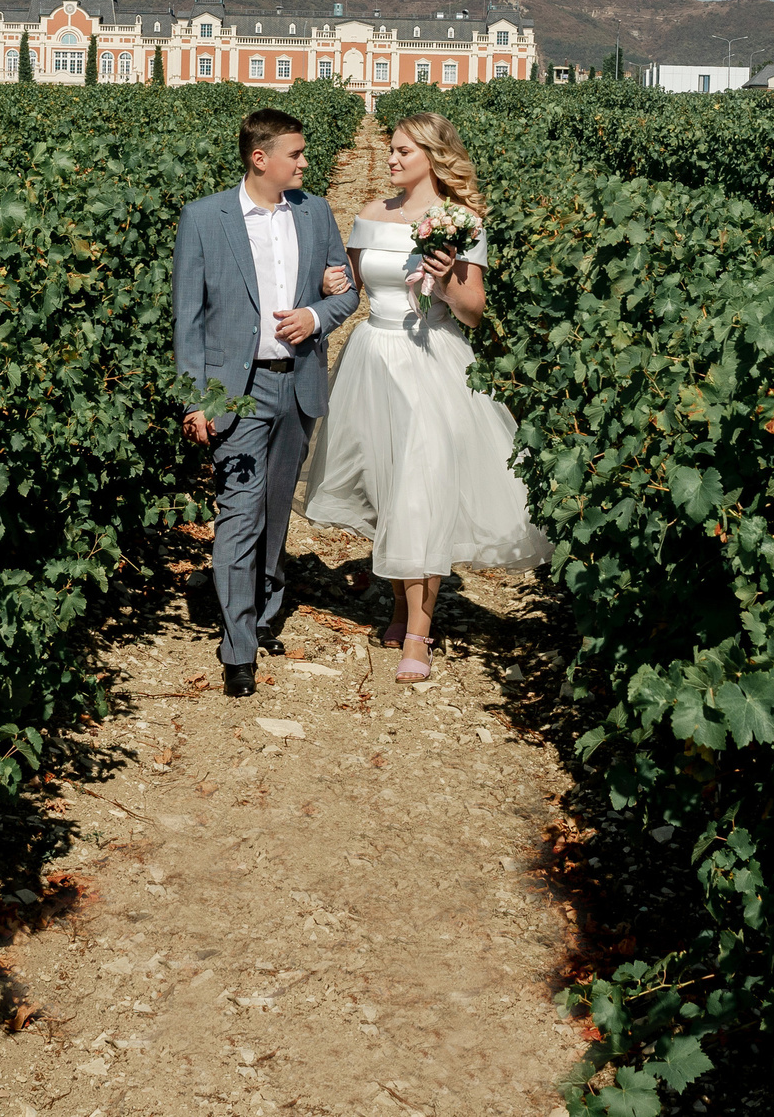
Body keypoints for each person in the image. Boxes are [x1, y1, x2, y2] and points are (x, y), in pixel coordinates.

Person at [299, 112, 547, 682]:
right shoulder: (368, 216)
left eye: (403, 151)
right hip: (373, 355)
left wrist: (448, 276)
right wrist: (330, 286)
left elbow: (474, 312)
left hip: (432, 357)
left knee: (420, 489)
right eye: (389, 151)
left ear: (433, 157)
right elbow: (350, 288)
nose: (391, 159)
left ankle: (418, 635)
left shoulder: (463, 223)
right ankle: (398, 604)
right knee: (391, 488)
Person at [173, 109, 360, 697]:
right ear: (261, 158)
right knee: (238, 514)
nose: (305, 163)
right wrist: (196, 399)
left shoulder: (316, 212)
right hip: (237, 392)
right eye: (297, 154)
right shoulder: (205, 219)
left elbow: (346, 291)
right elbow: (188, 320)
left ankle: (263, 606)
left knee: (276, 511)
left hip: (297, 383)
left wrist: (316, 315)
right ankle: (239, 649)